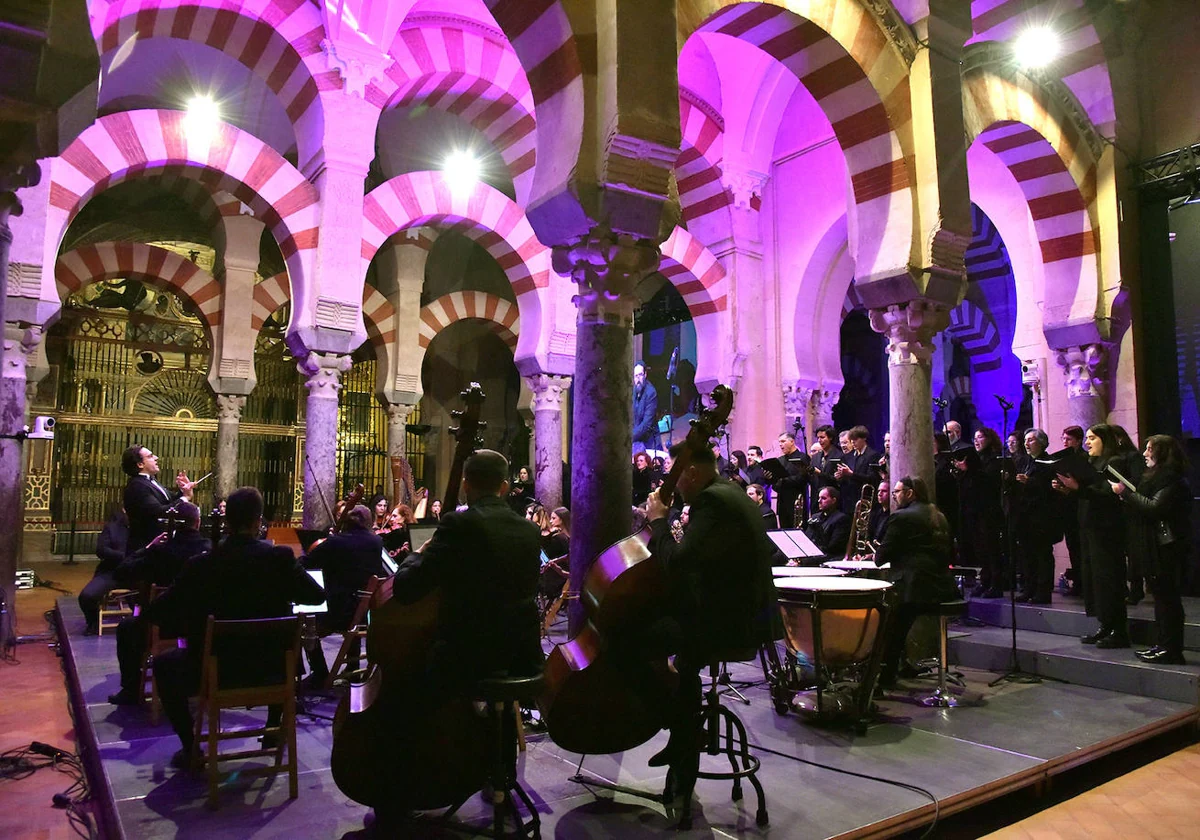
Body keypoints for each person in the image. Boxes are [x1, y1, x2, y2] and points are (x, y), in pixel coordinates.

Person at [146, 487, 325, 766]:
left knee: (164, 666)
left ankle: (191, 747)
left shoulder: (200, 565)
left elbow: (158, 612)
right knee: (283, 644)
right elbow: (316, 596)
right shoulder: (279, 559)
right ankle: (273, 730)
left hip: (212, 672)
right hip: (272, 672)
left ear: (226, 521)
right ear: (258, 521)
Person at [644, 443, 775, 801]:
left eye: (676, 474)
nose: (674, 485)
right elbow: (709, 559)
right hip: (747, 617)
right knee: (673, 647)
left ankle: (682, 730)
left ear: (691, 472)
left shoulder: (710, 501)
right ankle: (682, 730)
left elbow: (679, 563)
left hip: (729, 624)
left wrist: (658, 521)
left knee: (641, 638)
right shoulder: (729, 493)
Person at [391, 450, 543, 688]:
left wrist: (417, 553)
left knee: (409, 677)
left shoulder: (457, 524)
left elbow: (406, 589)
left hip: (467, 658)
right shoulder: (530, 530)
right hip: (522, 656)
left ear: (465, 484)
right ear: (503, 487)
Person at [107, 502, 212, 705]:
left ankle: (130, 688)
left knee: (127, 628)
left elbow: (121, 572)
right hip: (200, 627)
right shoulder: (209, 550)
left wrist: (147, 548)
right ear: (198, 522)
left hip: (163, 626)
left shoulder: (160, 552)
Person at [1111, 435, 1190, 664]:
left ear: (1163, 453)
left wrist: (1125, 493)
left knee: (1168, 600)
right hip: (1156, 546)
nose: (1144, 453)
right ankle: (1163, 645)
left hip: (1167, 548)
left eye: (1149, 449)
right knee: (1161, 598)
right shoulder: (1156, 477)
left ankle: (1171, 649)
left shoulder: (1172, 479)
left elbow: (1154, 507)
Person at [872, 476, 957, 687]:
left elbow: (880, 558)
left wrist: (881, 549)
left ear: (910, 493)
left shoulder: (901, 517)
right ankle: (899, 668)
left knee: (887, 627)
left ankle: (883, 678)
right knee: (897, 626)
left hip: (914, 589)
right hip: (942, 587)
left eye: (897, 492)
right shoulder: (939, 515)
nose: (894, 496)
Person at [1054, 425, 1129, 648]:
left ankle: (1118, 630)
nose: (1087, 442)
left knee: (1109, 578)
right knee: (1094, 579)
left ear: (1104, 440)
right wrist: (1069, 489)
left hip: (1106, 528)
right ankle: (1104, 624)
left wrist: (1078, 487)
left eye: (1092, 438)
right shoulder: (1091, 463)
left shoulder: (1114, 462)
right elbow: (1089, 493)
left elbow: (1110, 495)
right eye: (1086, 438)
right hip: (1089, 526)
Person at [301, 504, 388, 685]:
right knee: (354, 602)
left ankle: (320, 673)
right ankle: (353, 668)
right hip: (365, 614)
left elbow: (307, 562)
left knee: (304, 626)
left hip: (339, 614)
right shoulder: (376, 542)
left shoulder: (336, 542)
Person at [956, 428, 1004, 598]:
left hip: (988, 510)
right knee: (980, 549)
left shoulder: (994, 459)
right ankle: (985, 581)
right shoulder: (976, 460)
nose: (976, 441)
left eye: (980, 437)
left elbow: (989, 483)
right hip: (974, 510)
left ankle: (996, 583)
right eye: (974, 438)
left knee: (991, 549)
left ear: (990, 439)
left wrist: (969, 470)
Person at [121, 444, 195, 555]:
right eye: (150, 456)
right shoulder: (137, 485)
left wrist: (183, 490)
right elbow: (160, 512)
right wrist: (185, 498)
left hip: (160, 546)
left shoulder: (150, 481)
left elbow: (170, 501)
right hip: (146, 548)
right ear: (140, 464)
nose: (156, 458)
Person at [1012, 430, 1059, 604]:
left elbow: (1051, 489)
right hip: (1025, 516)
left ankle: (1043, 591)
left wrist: (1029, 482)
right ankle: (1028, 588)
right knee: (1027, 554)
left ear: (1041, 442)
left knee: (1042, 555)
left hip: (1042, 517)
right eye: (1025, 440)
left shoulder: (1048, 461)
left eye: (1031, 440)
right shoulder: (1025, 461)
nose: (1026, 443)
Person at [78, 505, 129, 635]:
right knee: (87, 596)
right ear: (124, 510)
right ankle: (93, 623)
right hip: (112, 572)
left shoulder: (146, 528)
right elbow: (101, 550)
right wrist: (124, 556)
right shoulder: (112, 528)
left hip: (137, 572)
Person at [1058, 425, 1085, 595]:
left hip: (1080, 507)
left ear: (1078, 440)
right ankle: (1078, 583)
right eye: (1063, 439)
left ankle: (1084, 584)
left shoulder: (1083, 458)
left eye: (1068, 439)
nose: (1065, 442)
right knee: (1073, 547)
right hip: (1068, 509)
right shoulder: (1064, 458)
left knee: (1081, 548)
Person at [834, 426, 881, 513]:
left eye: (855, 439)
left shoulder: (872, 455)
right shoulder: (848, 456)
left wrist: (851, 474)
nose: (853, 442)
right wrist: (840, 477)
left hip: (864, 499)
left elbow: (872, 478)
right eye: (851, 440)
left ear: (864, 438)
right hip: (849, 500)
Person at [769, 432, 811, 528]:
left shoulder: (802, 457)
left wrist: (782, 481)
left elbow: (802, 479)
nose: (780, 444)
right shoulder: (779, 460)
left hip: (796, 501)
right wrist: (771, 479)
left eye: (783, 441)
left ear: (792, 441)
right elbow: (775, 484)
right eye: (779, 442)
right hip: (782, 503)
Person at [803, 486, 851, 559]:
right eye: (819, 498)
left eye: (823, 498)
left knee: (807, 561)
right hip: (812, 552)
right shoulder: (815, 517)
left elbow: (832, 547)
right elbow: (807, 539)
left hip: (828, 556)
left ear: (833, 500)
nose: (819, 501)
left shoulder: (842, 519)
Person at [632, 362, 659, 455]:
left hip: (649, 440)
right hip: (636, 438)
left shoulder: (651, 393)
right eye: (636, 376)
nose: (638, 379)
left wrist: (630, 437)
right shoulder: (633, 390)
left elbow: (646, 424)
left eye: (640, 375)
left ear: (645, 374)